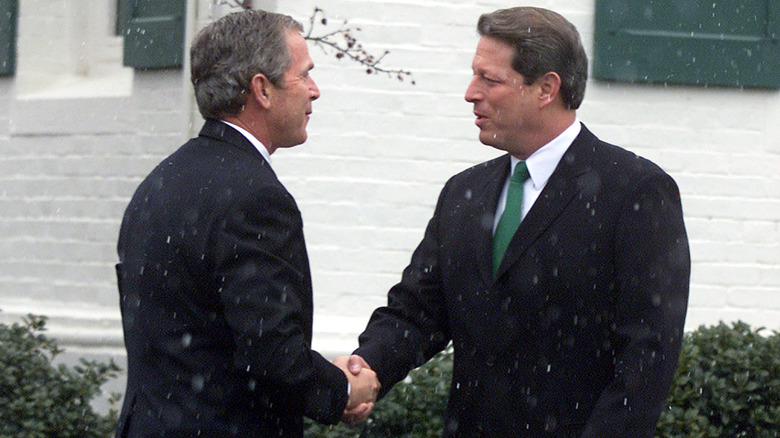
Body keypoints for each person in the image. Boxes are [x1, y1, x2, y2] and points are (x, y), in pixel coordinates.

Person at [343, 6, 690, 437]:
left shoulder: (634, 191)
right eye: (474, 76)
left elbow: (647, 354)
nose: (471, 93)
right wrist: (366, 369)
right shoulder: (462, 194)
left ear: (546, 88)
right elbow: (418, 311)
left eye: (489, 79)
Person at [115, 10, 378, 438]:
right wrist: (343, 390)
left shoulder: (160, 182)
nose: (315, 91)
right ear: (262, 89)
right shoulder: (255, 198)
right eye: (304, 75)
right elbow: (271, 352)